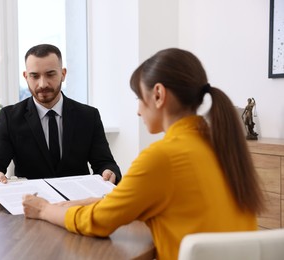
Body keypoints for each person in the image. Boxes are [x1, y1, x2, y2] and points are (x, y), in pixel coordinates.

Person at [22, 48, 264, 260]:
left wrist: (43, 209)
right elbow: (140, 200)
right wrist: (82, 202)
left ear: (158, 95)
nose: (138, 111)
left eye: (139, 98)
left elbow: (98, 222)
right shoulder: (221, 145)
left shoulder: (163, 157)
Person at [0, 44, 121, 185]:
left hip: (77, 202)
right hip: (32, 201)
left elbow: (105, 163)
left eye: (50, 74)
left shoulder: (89, 116)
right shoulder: (11, 117)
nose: (42, 84)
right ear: (26, 76)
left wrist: (109, 172)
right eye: (34, 76)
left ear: (63, 74)